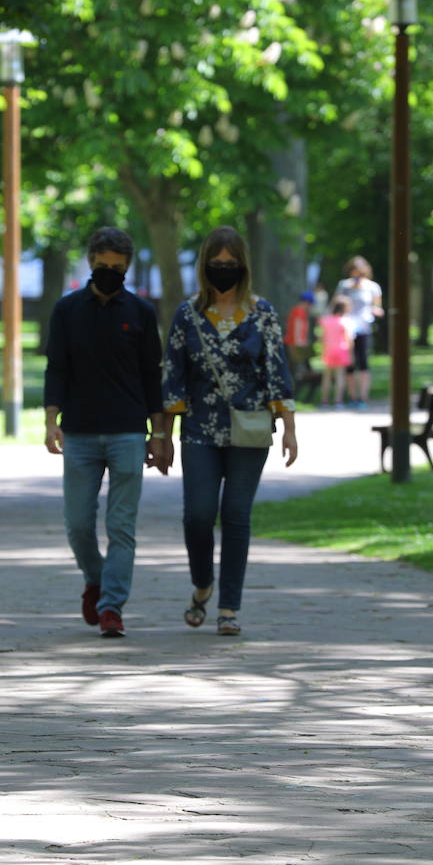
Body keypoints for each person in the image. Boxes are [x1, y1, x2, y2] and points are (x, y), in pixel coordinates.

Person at [159, 226, 298, 637]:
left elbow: (277, 370)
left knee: (237, 516)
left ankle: (229, 608)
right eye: (216, 264)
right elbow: (172, 376)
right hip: (200, 428)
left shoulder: (262, 313)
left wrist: (289, 428)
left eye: (231, 264)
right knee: (198, 515)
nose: (224, 270)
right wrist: (162, 435)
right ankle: (203, 583)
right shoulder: (188, 315)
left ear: (243, 266)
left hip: (251, 427)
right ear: (205, 267)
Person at [44, 227, 165, 638]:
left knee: (121, 527)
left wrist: (160, 433)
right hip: (78, 432)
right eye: (103, 265)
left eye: (118, 267)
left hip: (129, 432)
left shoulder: (142, 314)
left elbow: (153, 376)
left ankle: (112, 605)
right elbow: (56, 368)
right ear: (91, 262)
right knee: (78, 524)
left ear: (128, 267)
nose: (110, 272)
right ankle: (95, 579)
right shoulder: (66, 310)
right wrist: (50, 422)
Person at [333, 256, 382, 409]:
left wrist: (376, 311)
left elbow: (377, 306)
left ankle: (363, 396)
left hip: (364, 328)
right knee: (349, 363)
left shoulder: (372, 287)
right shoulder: (344, 286)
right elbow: (336, 305)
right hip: (346, 328)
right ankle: (352, 396)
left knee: (363, 362)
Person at [318, 296, 353, 408]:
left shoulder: (325, 320)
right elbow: (349, 339)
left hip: (328, 350)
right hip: (342, 350)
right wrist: (351, 354)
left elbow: (321, 338)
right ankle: (338, 401)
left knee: (327, 377)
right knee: (340, 376)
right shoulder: (345, 321)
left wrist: (322, 350)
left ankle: (324, 401)